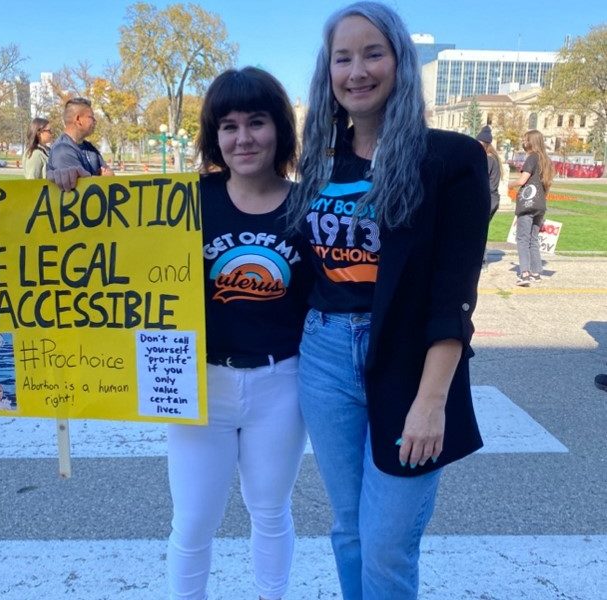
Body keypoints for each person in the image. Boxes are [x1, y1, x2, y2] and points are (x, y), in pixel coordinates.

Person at [289, 3, 489, 599]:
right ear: (327, 71)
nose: (357, 70)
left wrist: (432, 403)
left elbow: (453, 295)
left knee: (386, 543)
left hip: (408, 360)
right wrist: (65, 159)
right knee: (349, 530)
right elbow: (230, 185)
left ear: (400, 61)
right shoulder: (316, 162)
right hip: (323, 354)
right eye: (342, 57)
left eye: (372, 53)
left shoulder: (450, 160)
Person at [165, 66, 310, 600]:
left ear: (280, 130)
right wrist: (69, 174)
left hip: (282, 382)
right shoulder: (185, 201)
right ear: (213, 136)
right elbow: (108, 229)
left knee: (270, 512)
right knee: (193, 522)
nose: (243, 137)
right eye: (228, 125)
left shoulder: (308, 205)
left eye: (257, 121)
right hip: (199, 384)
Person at [508, 129, 554, 286]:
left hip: (528, 204)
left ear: (531, 142)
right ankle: (536, 272)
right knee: (533, 239)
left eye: (525, 139)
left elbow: (522, 180)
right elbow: (547, 184)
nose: (523, 142)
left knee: (522, 238)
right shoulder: (545, 160)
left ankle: (525, 273)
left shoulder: (531, 158)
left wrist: (510, 184)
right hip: (540, 204)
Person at [46, 97, 114, 189]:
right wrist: (103, 178)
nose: (95, 121)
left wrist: (106, 177)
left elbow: (110, 175)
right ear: (78, 119)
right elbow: (82, 187)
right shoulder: (62, 150)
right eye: (91, 117)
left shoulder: (90, 147)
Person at [476, 125, 502, 268]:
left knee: (478, 231)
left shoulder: (488, 160)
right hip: (492, 199)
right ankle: (481, 258)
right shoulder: (493, 159)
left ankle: (481, 259)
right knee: (481, 230)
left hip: (488, 199)